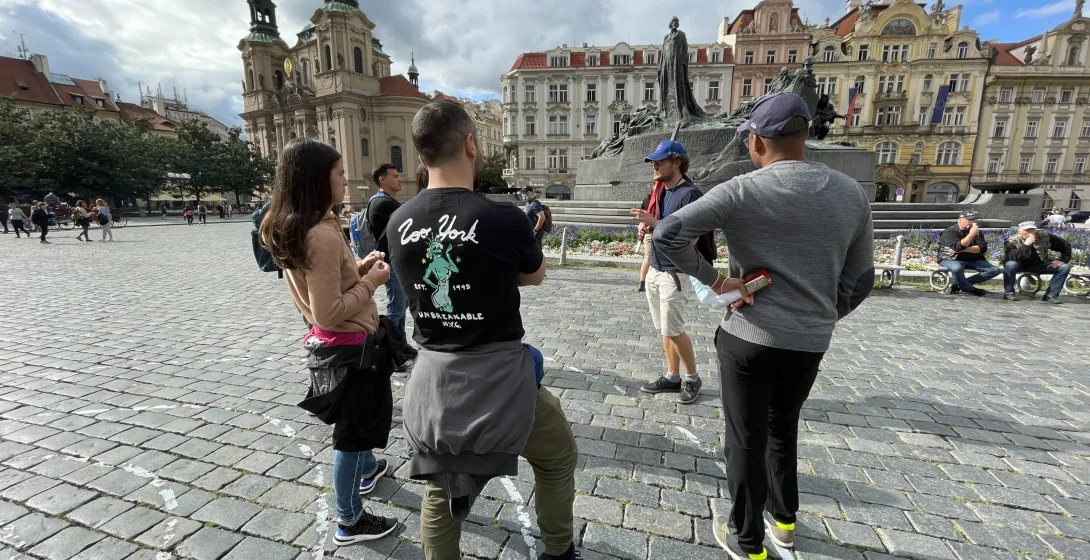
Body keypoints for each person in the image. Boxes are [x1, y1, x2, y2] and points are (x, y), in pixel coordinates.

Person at [654, 92, 875, 560]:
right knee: (783, 427)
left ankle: (747, 540)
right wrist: (821, 315)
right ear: (805, 136)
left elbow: (667, 233)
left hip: (748, 335)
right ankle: (785, 523)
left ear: (756, 142)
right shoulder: (850, 192)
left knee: (745, 439)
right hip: (809, 341)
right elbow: (862, 279)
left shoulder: (741, 190)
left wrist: (716, 280)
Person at [390, 100, 579, 560]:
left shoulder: (397, 222)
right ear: (471, 145)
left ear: (420, 155)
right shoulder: (504, 217)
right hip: (501, 383)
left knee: (439, 488)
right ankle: (558, 551)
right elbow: (535, 275)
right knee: (557, 457)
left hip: (434, 384)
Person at [258, 137, 398, 545]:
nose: (345, 180)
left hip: (340, 344)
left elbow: (329, 281)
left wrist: (360, 266)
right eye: (339, 174)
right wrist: (373, 282)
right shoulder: (319, 234)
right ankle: (350, 520)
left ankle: (367, 470)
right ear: (319, 180)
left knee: (359, 426)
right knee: (352, 437)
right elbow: (328, 310)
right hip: (350, 348)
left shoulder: (308, 223)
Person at [629, 139, 704, 405]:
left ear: (677, 163)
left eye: (660, 161)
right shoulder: (661, 191)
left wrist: (654, 223)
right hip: (656, 269)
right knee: (664, 328)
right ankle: (673, 376)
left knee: (674, 329)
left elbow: (690, 239)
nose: (655, 166)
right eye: (653, 162)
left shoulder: (690, 194)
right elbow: (661, 228)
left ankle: (692, 377)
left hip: (675, 273)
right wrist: (647, 227)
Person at [366, 163, 417, 364]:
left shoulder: (383, 201)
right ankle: (391, 353)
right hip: (391, 263)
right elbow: (413, 214)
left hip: (394, 262)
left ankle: (401, 345)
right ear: (382, 180)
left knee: (400, 306)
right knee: (396, 309)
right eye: (395, 176)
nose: (400, 179)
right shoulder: (382, 203)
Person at [1002, 222, 1072, 303]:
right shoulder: (1012, 241)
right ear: (1020, 231)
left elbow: (1065, 245)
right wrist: (1026, 245)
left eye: (1032, 230)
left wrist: (1062, 260)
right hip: (1020, 265)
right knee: (1010, 264)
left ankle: (1051, 295)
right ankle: (1009, 293)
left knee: (1064, 267)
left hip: (1040, 264)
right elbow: (1012, 257)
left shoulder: (1044, 236)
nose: (1031, 233)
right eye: (1027, 230)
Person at [937, 211, 999, 296]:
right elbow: (957, 247)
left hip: (972, 259)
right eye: (969, 220)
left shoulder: (977, 232)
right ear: (960, 220)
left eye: (973, 220)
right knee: (957, 268)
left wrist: (963, 250)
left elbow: (983, 248)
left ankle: (958, 286)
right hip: (951, 258)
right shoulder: (949, 231)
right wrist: (971, 235)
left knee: (994, 270)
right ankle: (970, 289)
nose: (972, 222)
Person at [637, 180, 665, 292]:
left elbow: (642, 216)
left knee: (647, 258)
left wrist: (641, 225)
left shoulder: (647, 199)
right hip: (659, 232)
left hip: (648, 231)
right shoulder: (663, 199)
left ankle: (642, 282)